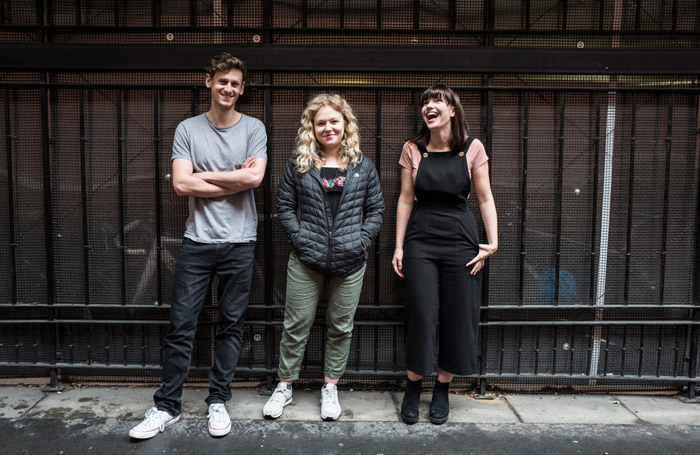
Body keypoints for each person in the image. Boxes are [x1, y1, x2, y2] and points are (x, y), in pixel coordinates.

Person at [129, 53, 267, 439]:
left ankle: (218, 400)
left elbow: (255, 179)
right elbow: (181, 185)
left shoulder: (254, 128)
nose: (229, 88)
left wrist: (211, 176)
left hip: (240, 242)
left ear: (242, 89)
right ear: (208, 82)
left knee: (231, 325)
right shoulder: (187, 129)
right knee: (181, 326)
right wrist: (234, 176)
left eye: (236, 84)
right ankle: (166, 406)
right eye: (223, 81)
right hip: (197, 242)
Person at [263, 93, 384, 421]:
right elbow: (285, 207)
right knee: (296, 325)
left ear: (346, 124)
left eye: (334, 121)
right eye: (321, 123)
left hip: (350, 260)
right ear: (311, 128)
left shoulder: (362, 166)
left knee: (340, 327)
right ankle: (285, 386)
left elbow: (375, 210)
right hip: (307, 258)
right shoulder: (299, 164)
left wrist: (361, 241)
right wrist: (300, 239)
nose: (328, 128)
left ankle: (330, 387)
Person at [391, 85, 497, 425]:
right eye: (425, 101)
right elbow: (406, 199)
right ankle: (413, 385)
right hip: (421, 238)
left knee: (456, 315)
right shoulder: (413, 149)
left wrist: (492, 242)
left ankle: (442, 388)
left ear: (452, 110)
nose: (429, 106)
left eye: (438, 100)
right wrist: (399, 246)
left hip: (459, 239)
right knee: (421, 313)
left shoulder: (471, 147)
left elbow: (484, 198)